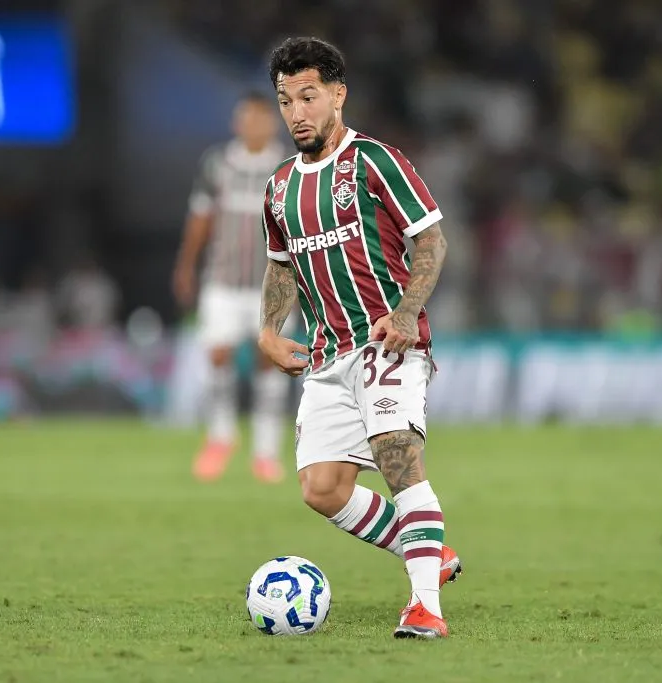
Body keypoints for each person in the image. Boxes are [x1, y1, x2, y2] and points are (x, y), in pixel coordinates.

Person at [257, 37, 460, 639]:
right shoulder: (279, 187)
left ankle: (426, 607)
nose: (297, 111)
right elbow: (281, 263)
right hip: (326, 355)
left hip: (387, 344)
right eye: (286, 99)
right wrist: (267, 330)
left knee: (398, 456)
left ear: (338, 95)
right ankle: (430, 553)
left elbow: (431, 241)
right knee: (322, 489)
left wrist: (404, 313)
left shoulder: (375, 162)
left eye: (309, 96)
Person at [173, 92, 296, 484]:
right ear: (235, 123)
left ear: (272, 124)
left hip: (273, 284)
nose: (252, 126)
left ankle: (265, 451)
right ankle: (221, 436)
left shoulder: (290, 166)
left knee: (270, 361)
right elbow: (200, 217)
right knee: (218, 353)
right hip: (223, 280)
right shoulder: (217, 164)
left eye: (259, 119)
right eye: (245, 119)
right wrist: (186, 265)